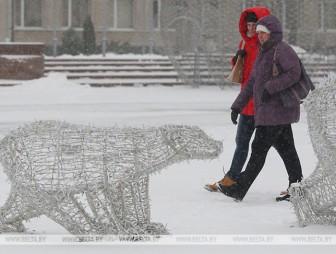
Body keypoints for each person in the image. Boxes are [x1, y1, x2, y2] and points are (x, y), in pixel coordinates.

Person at [217, 14, 303, 201]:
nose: (260, 36)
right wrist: (237, 106)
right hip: (268, 111)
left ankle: (239, 189)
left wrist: (271, 88)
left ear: (273, 32)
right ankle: (297, 188)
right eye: (258, 33)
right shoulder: (263, 52)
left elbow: (294, 73)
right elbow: (252, 83)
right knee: (288, 151)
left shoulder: (282, 49)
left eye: (263, 32)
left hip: (276, 110)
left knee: (258, 149)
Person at [204, 6, 270, 192]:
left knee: (281, 147)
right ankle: (231, 179)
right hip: (247, 103)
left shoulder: (267, 45)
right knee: (241, 143)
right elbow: (243, 75)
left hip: (265, 106)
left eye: (254, 24)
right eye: (248, 24)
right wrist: (237, 59)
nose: (250, 28)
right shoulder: (244, 44)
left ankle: (296, 181)